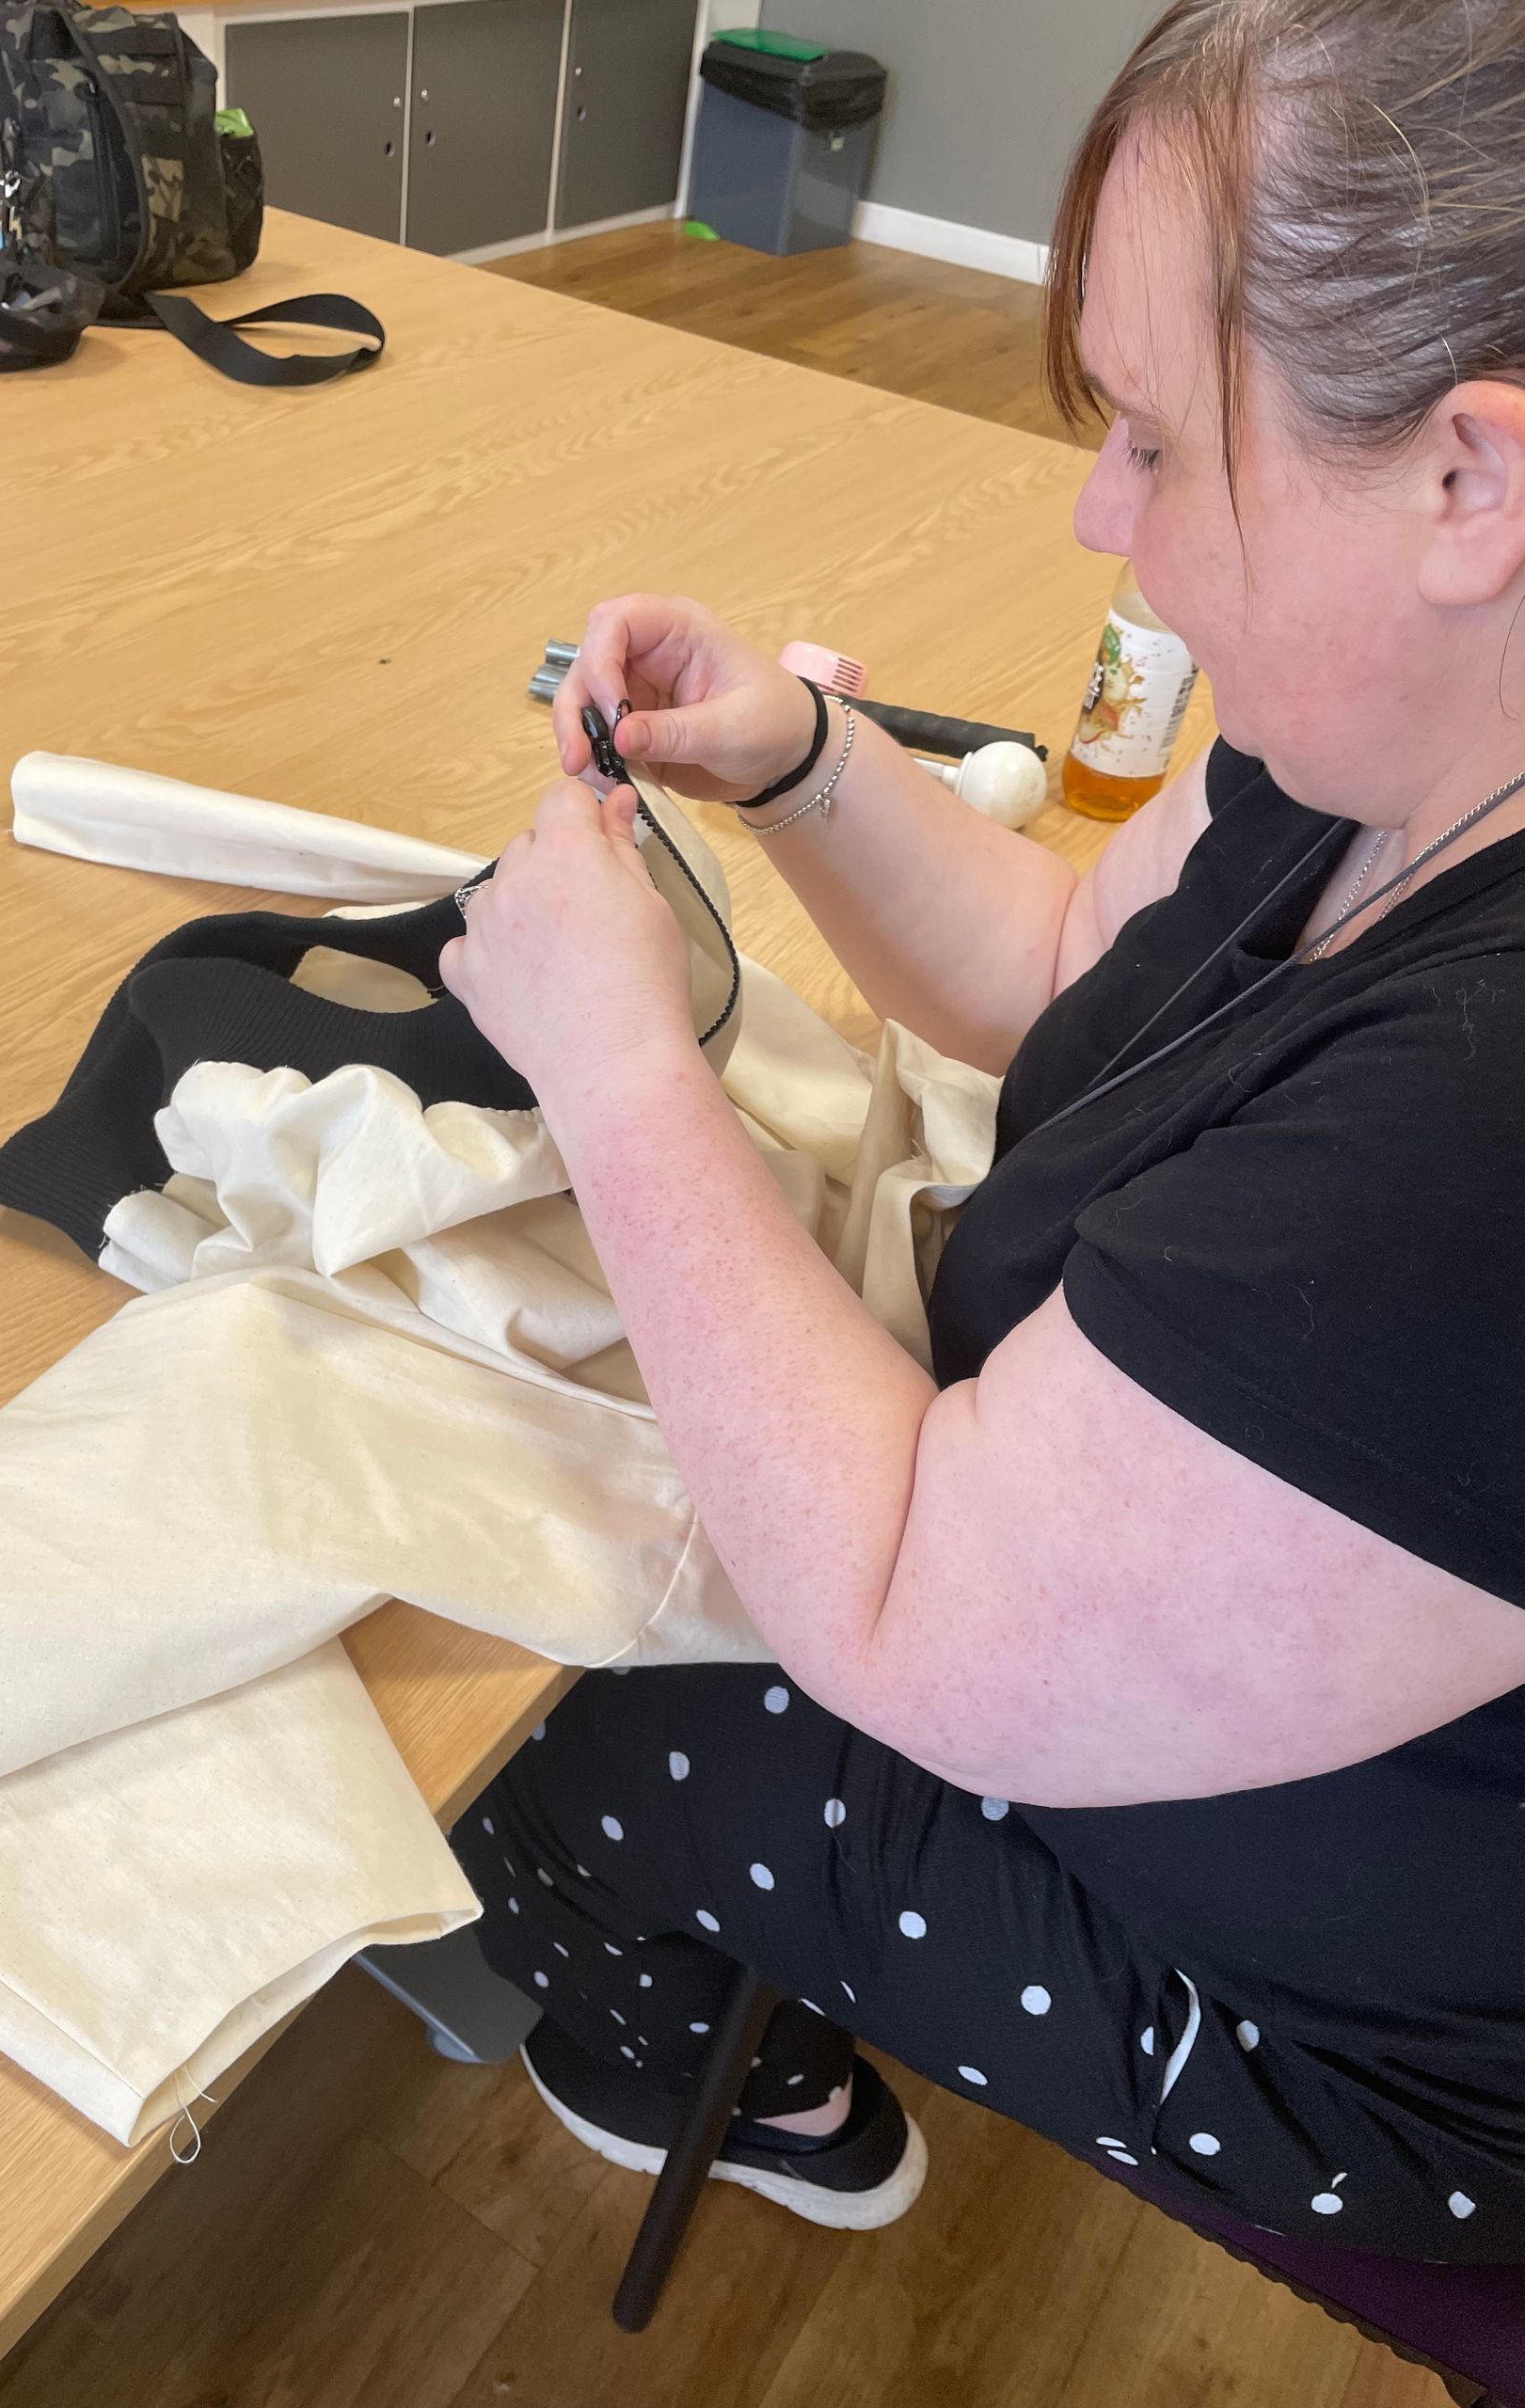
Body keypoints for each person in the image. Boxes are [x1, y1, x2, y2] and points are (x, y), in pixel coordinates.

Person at [435, 0, 1525, 2259]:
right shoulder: (1401, 734)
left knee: (531, 1697)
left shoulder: (1475, 1135)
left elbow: (899, 1598)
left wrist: (620, 1067)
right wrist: (803, 759)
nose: (1094, 516)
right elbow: (1068, 982)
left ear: (1471, 481)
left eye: (1151, 441)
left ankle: (718, 2070)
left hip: (1403, 2051)